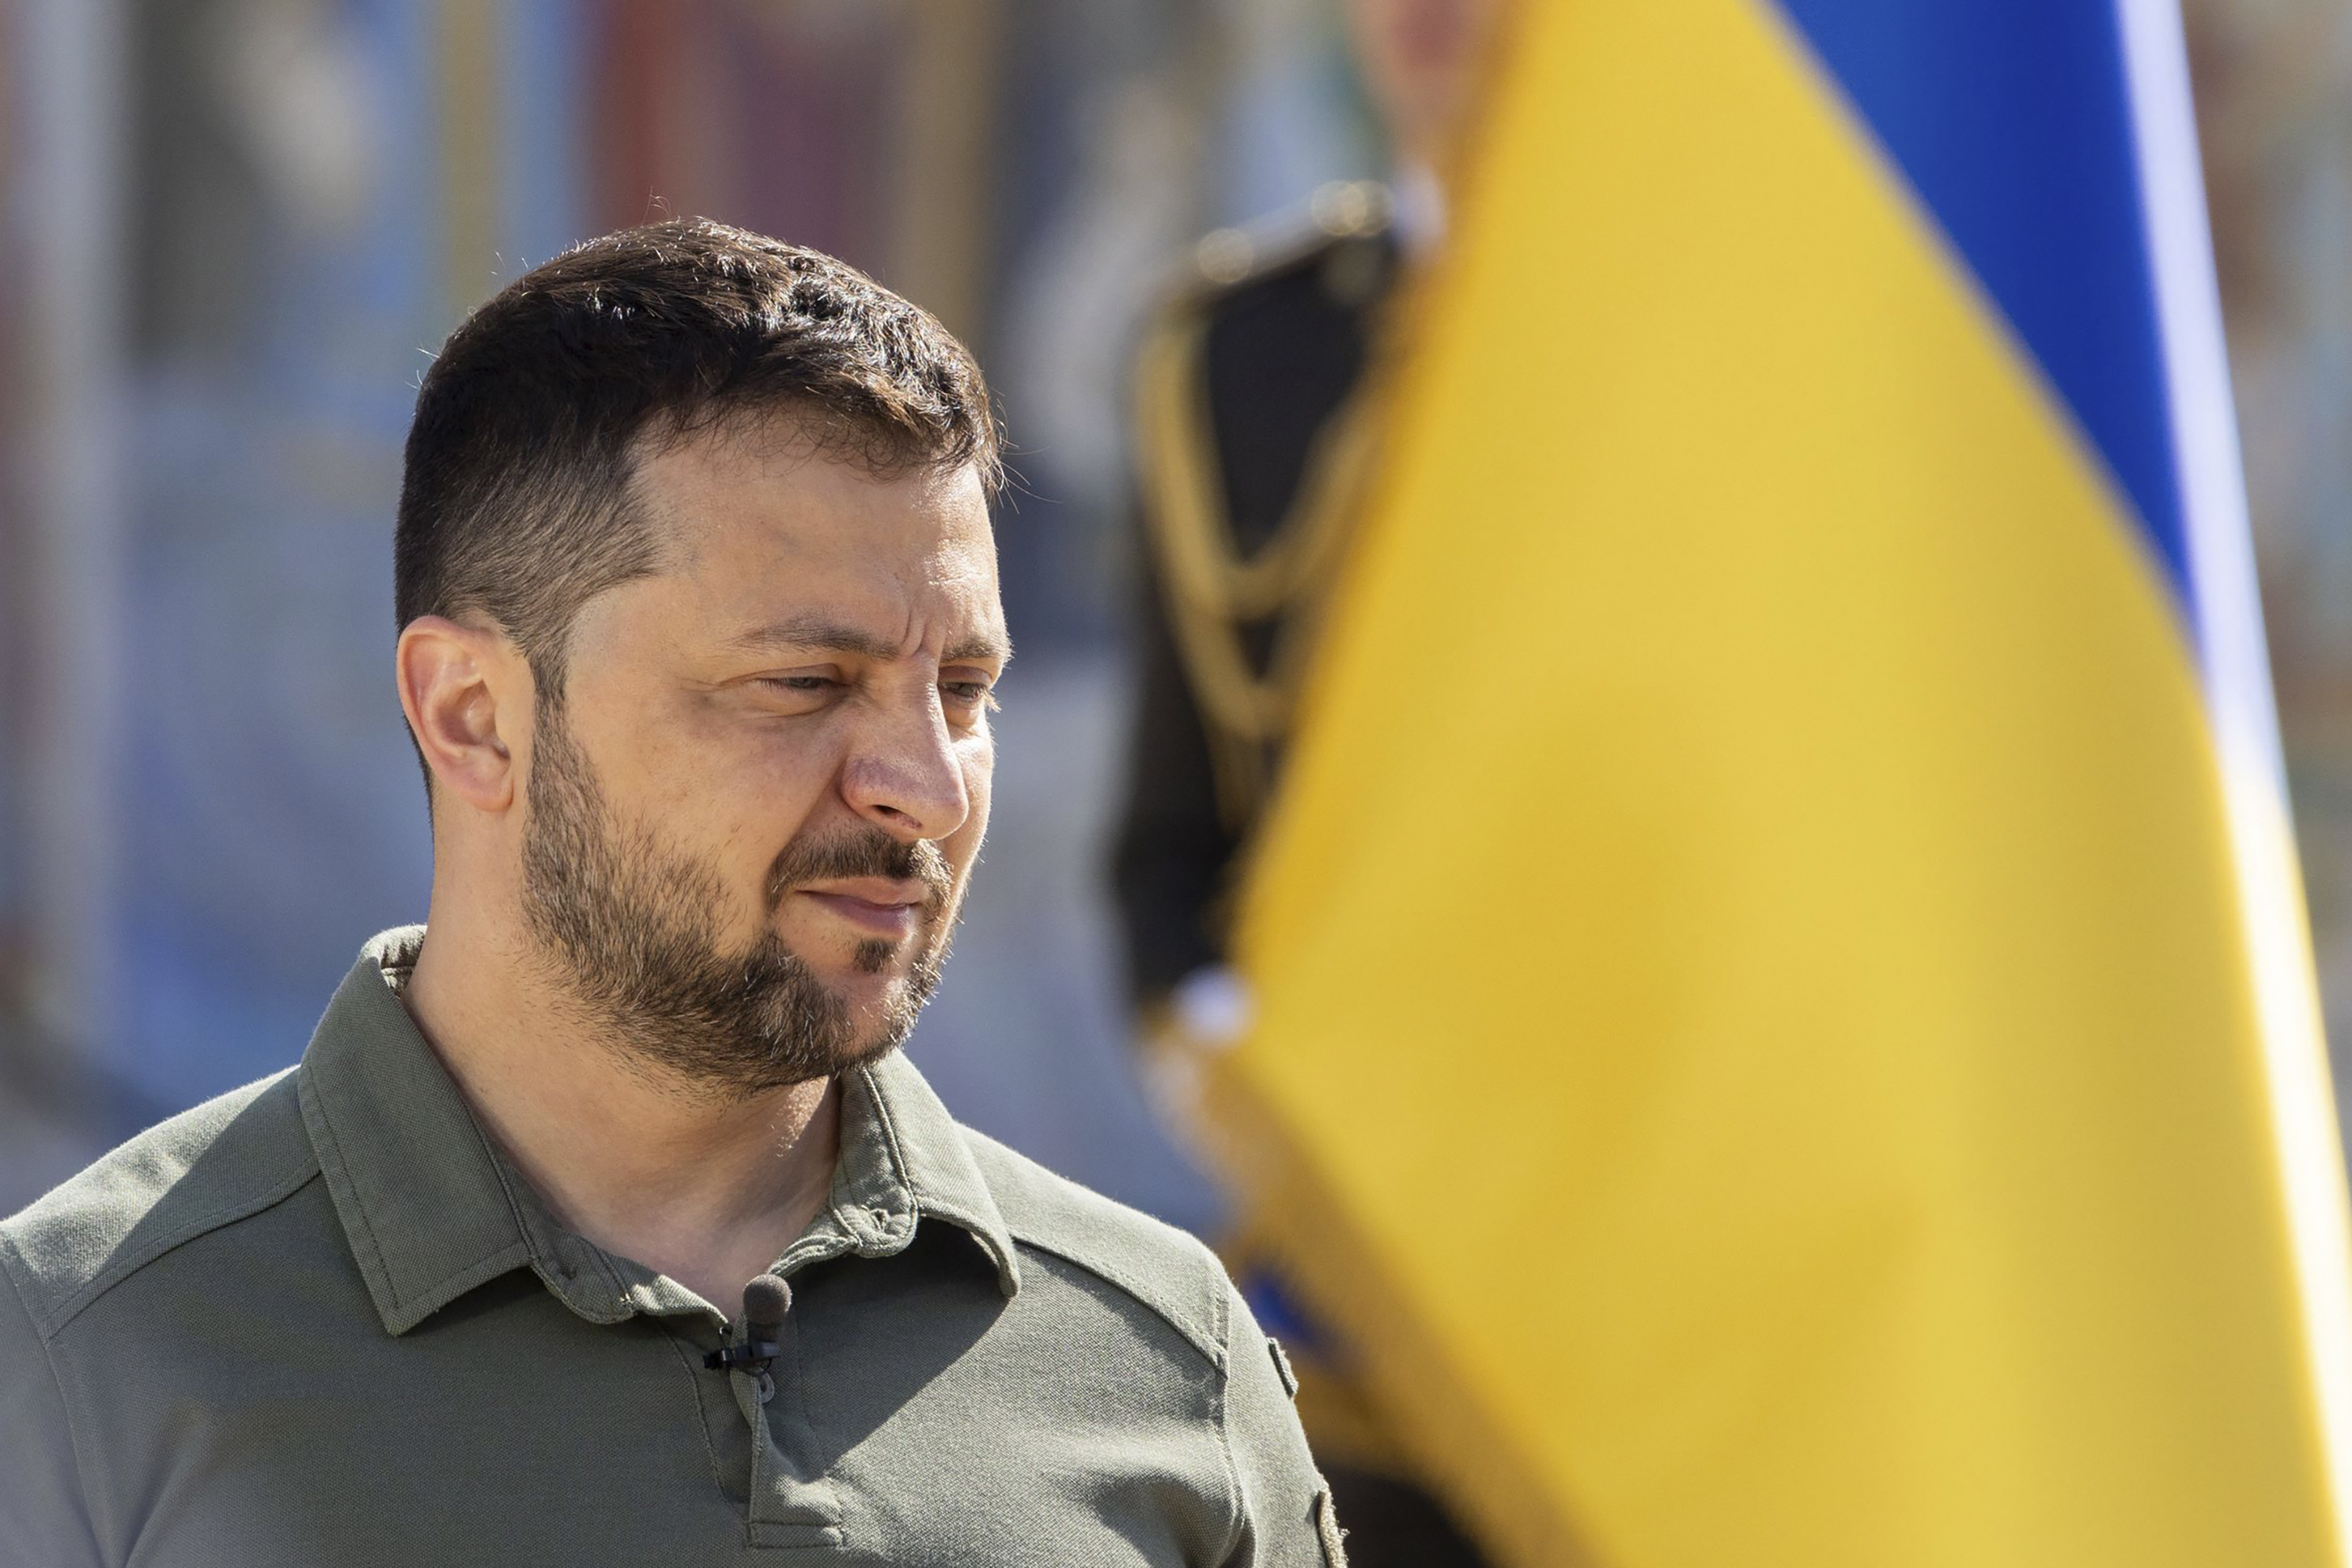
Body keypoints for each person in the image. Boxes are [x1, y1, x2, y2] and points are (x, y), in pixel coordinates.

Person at [0, 220, 1341, 1566]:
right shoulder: (74, 1360)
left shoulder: (1175, 1373)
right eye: (803, 684)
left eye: (962, 691)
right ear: (474, 715)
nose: (928, 790)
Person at [1111, 2, 1512, 1563]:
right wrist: (1255, 1070)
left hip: (1707, 1229)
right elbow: (1171, 855)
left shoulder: (1745, 342)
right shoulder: (1243, 350)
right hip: (1362, 1277)